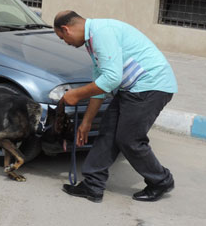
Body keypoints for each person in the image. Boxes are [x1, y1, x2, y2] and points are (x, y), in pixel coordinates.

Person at [53, 10, 177, 203]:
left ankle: (161, 180)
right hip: (132, 88)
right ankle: (93, 185)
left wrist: (76, 94)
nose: (66, 43)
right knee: (108, 133)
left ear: (66, 29)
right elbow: (100, 84)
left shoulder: (102, 33)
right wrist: (86, 122)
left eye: (63, 38)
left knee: (129, 139)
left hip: (151, 86)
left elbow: (111, 79)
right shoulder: (92, 40)